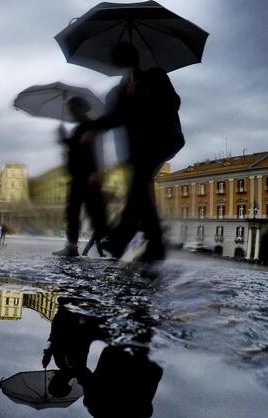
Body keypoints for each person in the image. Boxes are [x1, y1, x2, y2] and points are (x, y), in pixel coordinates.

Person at [86, 42, 185, 262]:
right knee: (137, 188)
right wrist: (93, 129)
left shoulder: (155, 76)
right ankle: (126, 240)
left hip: (162, 140)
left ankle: (141, 240)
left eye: (117, 57)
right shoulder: (117, 91)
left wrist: (145, 92)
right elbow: (113, 117)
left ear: (129, 59)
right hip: (137, 150)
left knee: (138, 184)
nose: (113, 62)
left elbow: (174, 102)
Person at [53, 97, 108, 257]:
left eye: (74, 109)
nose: (72, 112)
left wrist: (97, 172)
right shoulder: (78, 129)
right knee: (73, 212)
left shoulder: (91, 126)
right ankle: (71, 246)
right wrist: (63, 137)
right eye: (71, 109)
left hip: (88, 175)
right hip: (77, 176)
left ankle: (114, 241)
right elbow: (73, 147)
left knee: (94, 212)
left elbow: (98, 151)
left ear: (82, 108)